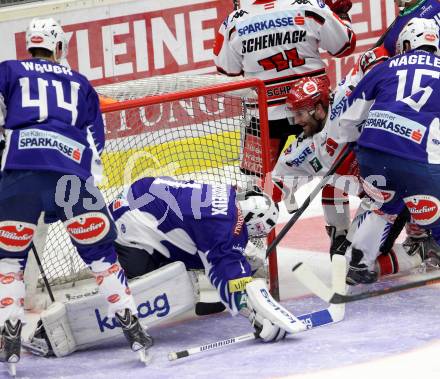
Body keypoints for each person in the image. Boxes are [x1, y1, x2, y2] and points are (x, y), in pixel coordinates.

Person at [0, 18, 151, 371]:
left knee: (9, 263)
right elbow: (96, 139)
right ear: (59, 46)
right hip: (72, 178)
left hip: (20, 173)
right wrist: (85, 180)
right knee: (102, 257)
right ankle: (135, 331)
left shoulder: (8, 70)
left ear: (29, 44)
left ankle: (9, 340)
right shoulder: (80, 82)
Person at [271, 48, 432, 283]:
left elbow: (373, 57)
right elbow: (277, 182)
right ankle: (348, 236)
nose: (296, 121)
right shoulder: (303, 149)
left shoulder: (345, 97)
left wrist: (374, 68)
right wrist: (257, 203)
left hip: (403, 170)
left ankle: (423, 241)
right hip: (378, 198)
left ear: (318, 108)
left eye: (301, 113)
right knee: (351, 260)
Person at [109, 176, 306, 341]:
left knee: (193, 245)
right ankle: (114, 281)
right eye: (255, 232)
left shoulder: (225, 191)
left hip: (135, 192)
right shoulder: (226, 229)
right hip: (129, 223)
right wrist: (256, 317)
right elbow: (230, 277)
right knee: (151, 292)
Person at [337, 17, 440, 278]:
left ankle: (358, 265)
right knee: (434, 212)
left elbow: (348, 118)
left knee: (382, 206)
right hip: (417, 157)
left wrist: (359, 142)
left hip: (372, 152)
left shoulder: (385, 67)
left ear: (406, 43)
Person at [213, 0, 356, 179]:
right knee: (340, 177)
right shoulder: (310, 6)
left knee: (255, 188)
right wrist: (340, 14)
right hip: (316, 112)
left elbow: (228, 70)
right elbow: (345, 46)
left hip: (265, 119)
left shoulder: (233, 22)